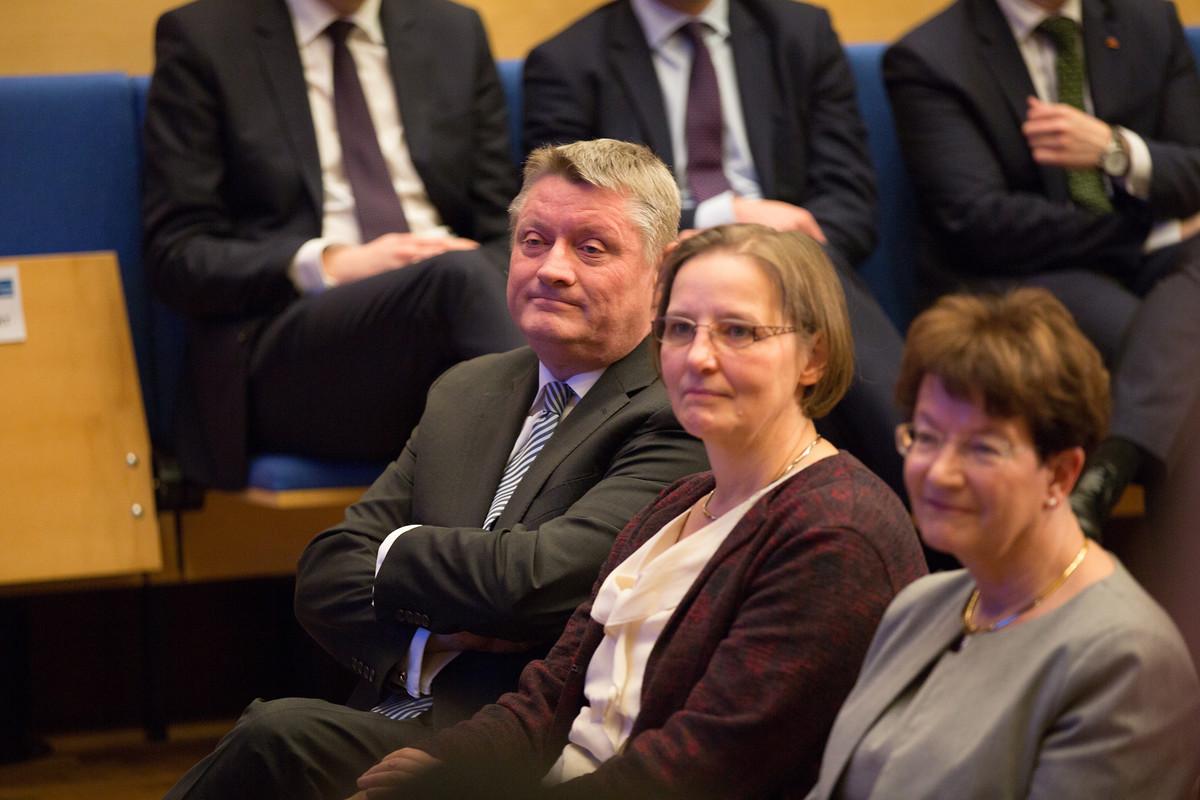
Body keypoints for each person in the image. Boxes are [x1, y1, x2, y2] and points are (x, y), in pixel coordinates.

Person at [161, 139, 709, 799]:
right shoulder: (468, 388)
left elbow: (536, 580)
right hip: (387, 711)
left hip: (514, 750)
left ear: (661, 272)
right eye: (534, 242)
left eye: (591, 249)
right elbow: (325, 570)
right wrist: (432, 636)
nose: (553, 269)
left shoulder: (674, 412)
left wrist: (396, 558)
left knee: (277, 737)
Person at [353, 225, 927, 799]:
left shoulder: (836, 528)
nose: (699, 357)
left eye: (738, 331)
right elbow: (550, 696)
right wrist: (443, 764)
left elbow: (701, 771)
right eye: (680, 328)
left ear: (813, 358)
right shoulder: (680, 502)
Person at [805, 289, 1200, 799]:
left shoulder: (1128, 662)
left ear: (1062, 473)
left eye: (982, 448)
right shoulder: (919, 605)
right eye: (926, 437)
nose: (939, 473)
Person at [522, 0, 909, 497]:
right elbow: (569, 210)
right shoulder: (569, 59)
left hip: (796, 253)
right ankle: (916, 463)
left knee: (804, 269)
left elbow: (850, 203)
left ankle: (909, 473)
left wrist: (769, 253)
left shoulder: (799, 33)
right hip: (661, 256)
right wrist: (719, 220)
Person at [142, 0, 525, 489]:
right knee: (462, 280)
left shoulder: (452, 30)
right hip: (290, 345)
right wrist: (327, 263)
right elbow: (177, 255)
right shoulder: (207, 38)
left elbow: (502, 226)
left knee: (558, 285)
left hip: (452, 333)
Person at [883, 0, 1200, 539]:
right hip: (1024, 276)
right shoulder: (931, 55)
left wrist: (1118, 151)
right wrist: (1138, 234)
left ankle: (1109, 472)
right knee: (1171, 342)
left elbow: (1193, 170)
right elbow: (979, 221)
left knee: (1177, 329)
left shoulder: (1146, 19)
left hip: (1154, 261)